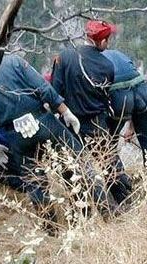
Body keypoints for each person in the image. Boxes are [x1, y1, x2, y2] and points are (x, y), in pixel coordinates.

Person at [0, 29, 109, 233]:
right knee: (78, 162)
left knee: (35, 183)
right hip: (42, 121)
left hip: (15, 136)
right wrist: (65, 111)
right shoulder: (13, 61)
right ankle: (103, 213)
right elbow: (43, 88)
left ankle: (51, 230)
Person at [51, 20, 132, 205]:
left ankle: (83, 208)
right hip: (97, 124)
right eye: (107, 39)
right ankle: (125, 202)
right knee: (109, 163)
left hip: (70, 124)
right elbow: (105, 97)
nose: (108, 43)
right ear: (100, 41)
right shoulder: (107, 66)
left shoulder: (64, 57)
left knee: (71, 169)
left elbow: (55, 93)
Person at [101, 48, 147, 181]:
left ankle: (122, 185)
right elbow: (133, 89)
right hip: (141, 90)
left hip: (119, 97)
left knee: (108, 145)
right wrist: (132, 127)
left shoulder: (96, 61)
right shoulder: (120, 55)